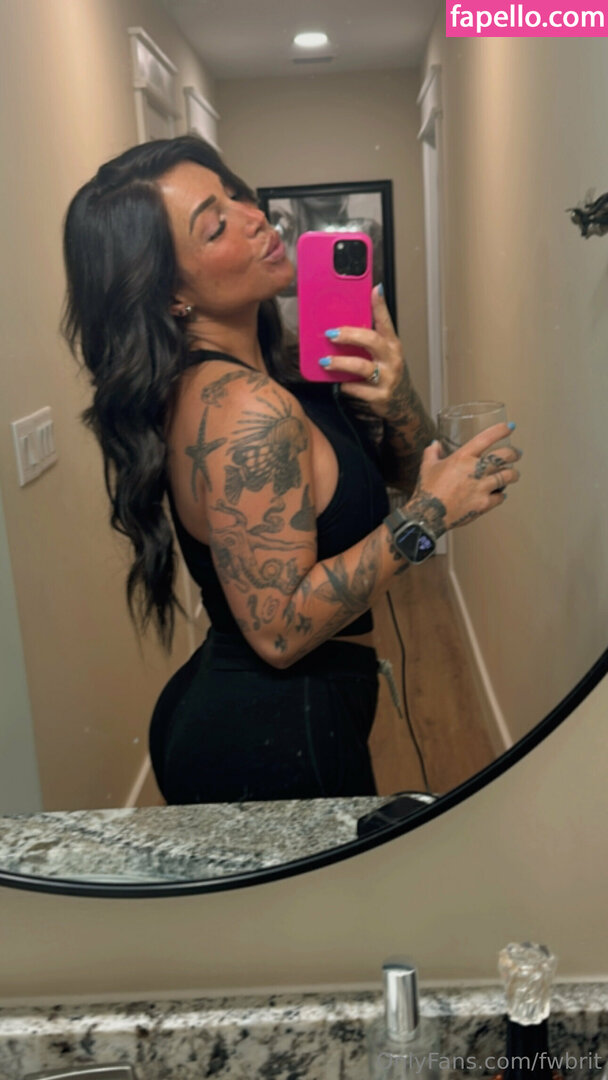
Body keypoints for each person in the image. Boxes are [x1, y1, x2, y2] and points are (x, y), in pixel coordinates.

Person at [62, 136, 521, 804]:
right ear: (170, 293)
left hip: (283, 712)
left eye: (236, 195)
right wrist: (428, 518)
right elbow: (279, 631)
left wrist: (398, 399)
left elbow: (403, 472)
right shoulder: (246, 410)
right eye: (216, 225)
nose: (255, 217)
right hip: (271, 737)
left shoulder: (275, 375)